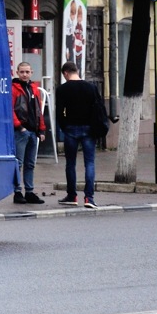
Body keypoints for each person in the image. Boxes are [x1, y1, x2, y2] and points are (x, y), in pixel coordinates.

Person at [56, 61, 102, 209]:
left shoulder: (62, 89)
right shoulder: (91, 88)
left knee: (71, 163)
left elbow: (59, 112)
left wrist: (64, 127)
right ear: (77, 71)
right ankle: (89, 198)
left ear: (65, 73)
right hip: (89, 129)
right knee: (89, 163)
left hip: (71, 129)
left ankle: (72, 196)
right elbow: (98, 109)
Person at [11, 61, 46, 204]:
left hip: (32, 131)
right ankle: (17, 192)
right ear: (17, 73)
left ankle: (30, 192)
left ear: (31, 72)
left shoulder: (34, 88)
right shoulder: (13, 89)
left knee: (30, 163)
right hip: (21, 131)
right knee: (18, 163)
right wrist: (19, 127)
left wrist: (42, 129)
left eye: (27, 72)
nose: (25, 74)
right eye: (22, 72)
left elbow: (38, 111)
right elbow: (10, 110)